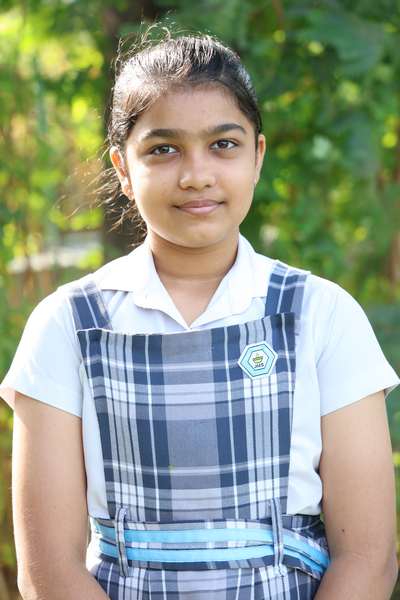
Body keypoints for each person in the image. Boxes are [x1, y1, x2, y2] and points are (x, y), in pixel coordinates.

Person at [1, 26, 399, 600]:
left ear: (258, 156)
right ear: (122, 168)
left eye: (224, 144)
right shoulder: (68, 325)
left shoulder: (322, 314)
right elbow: (48, 574)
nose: (196, 175)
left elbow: (367, 557)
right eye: (163, 150)